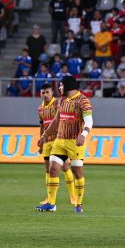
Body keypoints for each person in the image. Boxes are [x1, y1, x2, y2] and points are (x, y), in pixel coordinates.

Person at [37, 75, 93, 213]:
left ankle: (78, 204)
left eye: (61, 85)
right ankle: (51, 203)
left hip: (75, 142)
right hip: (60, 140)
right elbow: (56, 121)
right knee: (53, 168)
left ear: (68, 86)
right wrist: (44, 136)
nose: (59, 88)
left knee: (77, 172)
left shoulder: (83, 101)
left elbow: (89, 121)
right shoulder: (62, 100)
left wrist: (83, 135)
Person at [36, 83, 79, 209]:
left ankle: (73, 195)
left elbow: (61, 120)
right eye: (43, 92)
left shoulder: (57, 104)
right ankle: (49, 197)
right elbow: (42, 125)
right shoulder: (40, 109)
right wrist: (41, 142)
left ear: (52, 93)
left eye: (47, 92)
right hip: (47, 141)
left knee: (65, 168)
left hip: (58, 141)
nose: (45, 95)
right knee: (48, 170)